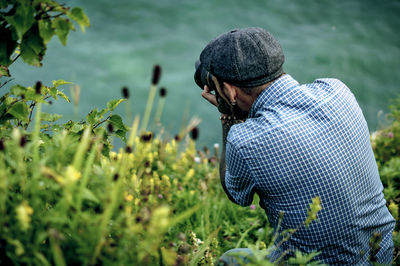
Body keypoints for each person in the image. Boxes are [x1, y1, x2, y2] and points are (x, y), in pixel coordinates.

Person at [195, 27, 395, 265]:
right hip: (381, 253)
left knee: (231, 259)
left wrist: (228, 116)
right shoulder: (337, 90)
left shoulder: (245, 140)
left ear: (229, 90)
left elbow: (237, 195)